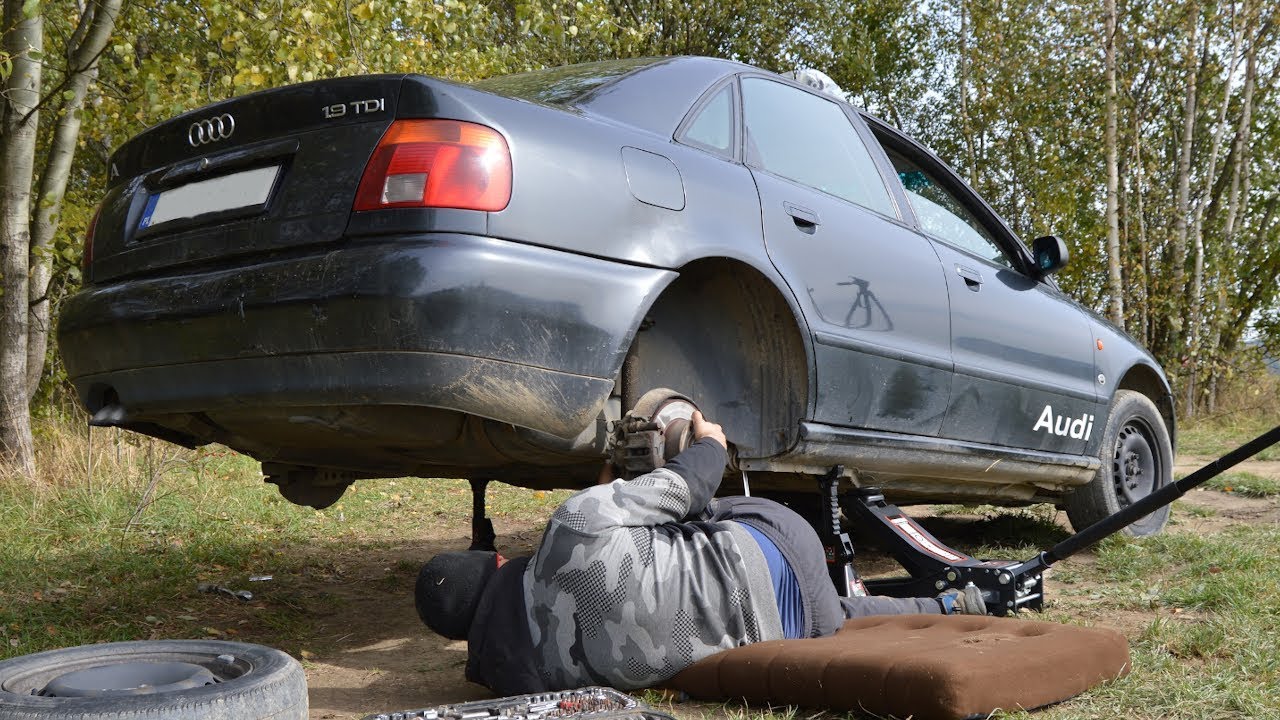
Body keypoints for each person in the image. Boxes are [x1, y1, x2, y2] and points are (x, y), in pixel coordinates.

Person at [416, 411, 985, 695]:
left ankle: (952, 610)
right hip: (784, 542)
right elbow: (693, 483)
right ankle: (954, 604)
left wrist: (607, 496)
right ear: (494, 562)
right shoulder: (573, 527)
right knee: (693, 514)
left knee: (839, 616)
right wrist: (710, 440)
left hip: (788, 634)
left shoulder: (522, 679)